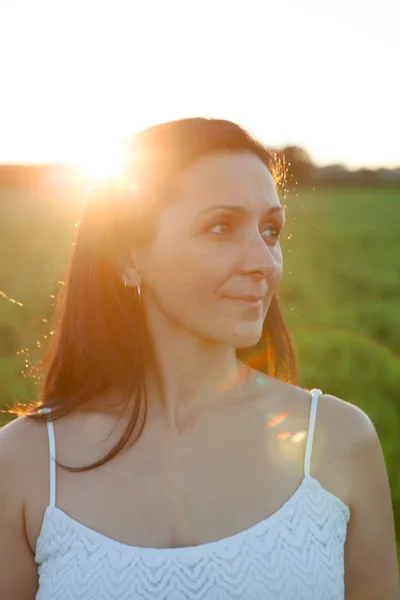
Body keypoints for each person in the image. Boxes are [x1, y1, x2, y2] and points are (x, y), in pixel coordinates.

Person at [0, 118, 398, 600]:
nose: (263, 261)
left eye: (270, 230)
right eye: (220, 227)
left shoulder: (338, 441)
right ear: (129, 255)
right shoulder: (23, 463)